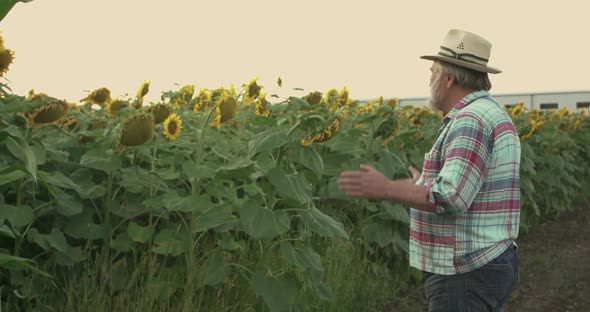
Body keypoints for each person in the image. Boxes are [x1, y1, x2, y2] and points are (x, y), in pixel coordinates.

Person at [337, 29, 521, 312]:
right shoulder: (489, 113)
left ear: (449, 79)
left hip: (464, 268)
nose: (429, 77)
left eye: (433, 72)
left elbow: (451, 197)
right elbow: (472, 185)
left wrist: (385, 188)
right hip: (482, 262)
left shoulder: (470, 121)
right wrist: (422, 183)